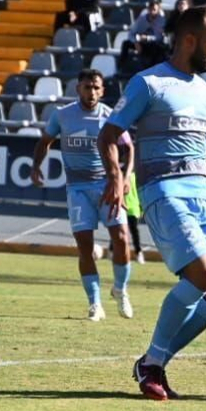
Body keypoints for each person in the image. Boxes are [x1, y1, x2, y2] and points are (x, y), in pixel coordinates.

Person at [99, 3, 206, 401]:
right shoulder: (149, 83)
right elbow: (108, 135)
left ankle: (153, 361)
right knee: (202, 274)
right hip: (164, 192)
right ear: (190, 39)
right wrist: (115, 178)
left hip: (203, 198)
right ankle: (152, 365)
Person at [30, 69, 136, 321]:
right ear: (78, 88)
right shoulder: (63, 115)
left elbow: (129, 148)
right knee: (85, 247)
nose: (91, 92)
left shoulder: (111, 117)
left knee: (121, 238)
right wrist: (35, 167)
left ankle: (120, 290)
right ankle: (95, 304)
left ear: (102, 91)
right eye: (87, 87)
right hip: (77, 189)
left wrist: (125, 177)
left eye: (96, 88)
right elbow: (45, 141)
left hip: (106, 185)